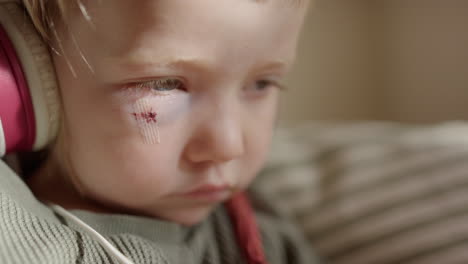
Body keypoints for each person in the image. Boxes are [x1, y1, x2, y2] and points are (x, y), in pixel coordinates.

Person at [0, 0, 318, 263]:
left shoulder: (261, 235)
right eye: (165, 84)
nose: (228, 146)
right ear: (33, 80)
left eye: (261, 84)